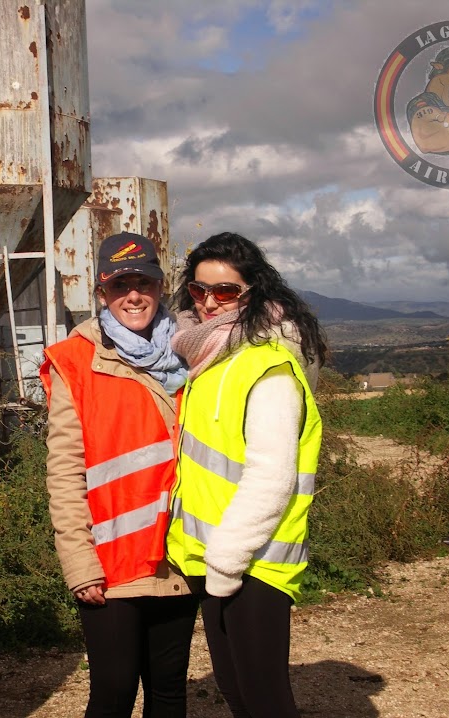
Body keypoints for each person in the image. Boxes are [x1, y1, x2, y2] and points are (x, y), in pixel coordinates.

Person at [166, 232, 327, 718]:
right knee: (237, 692)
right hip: (216, 560)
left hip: (252, 562)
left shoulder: (267, 367)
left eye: (225, 291)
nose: (210, 302)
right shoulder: (211, 361)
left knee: (265, 700)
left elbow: (271, 477)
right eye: (198, 290)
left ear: (253, 292)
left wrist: (226, 560)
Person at [40, 232, 199, 718]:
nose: (134, 295)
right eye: (120, 284)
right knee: (112, 693)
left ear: (160, 286)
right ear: (102, 293)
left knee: (169, 691)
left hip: (178, 553)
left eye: (144, 282)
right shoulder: (75, 361)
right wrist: (79, 562)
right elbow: (65, 473)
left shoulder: (194, 355)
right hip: (111, 565)